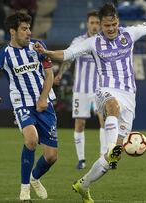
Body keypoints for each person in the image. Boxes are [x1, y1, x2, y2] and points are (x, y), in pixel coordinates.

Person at [35, 3, 146, 202]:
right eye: (107, 25)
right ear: (100, 25)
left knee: (109, 162)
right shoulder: (93, 43)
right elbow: (66, 54)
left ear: (118, 22)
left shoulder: (130, 33)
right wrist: (46, 53)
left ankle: (83, 185)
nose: (111, 29)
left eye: (114, 24)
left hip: (129, 97)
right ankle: (110, 148)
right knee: (112, 109)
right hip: (105, 91)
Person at [0, 12, 58, 202]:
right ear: (12, 32)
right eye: (24, 29)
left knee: (51, 157)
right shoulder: (3, 55)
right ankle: (24, 191)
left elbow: (49, 75)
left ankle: (34, 178)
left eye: (29, 28)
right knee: (31, 140)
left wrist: (42, 99)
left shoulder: (38, 47)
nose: (29, 32)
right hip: (22, 103)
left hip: (44, 103)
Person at [54, 10, 106, 170]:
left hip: (100, 89)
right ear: (87, 24)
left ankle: (103, 157)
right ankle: (81, 159)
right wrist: (60, 74)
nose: (95, 26)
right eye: (92, 23)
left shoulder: (105, 41)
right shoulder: (79, 40)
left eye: (97, 23)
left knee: (104, 122)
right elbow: (68, 59)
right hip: (81, 89)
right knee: (80, 124)